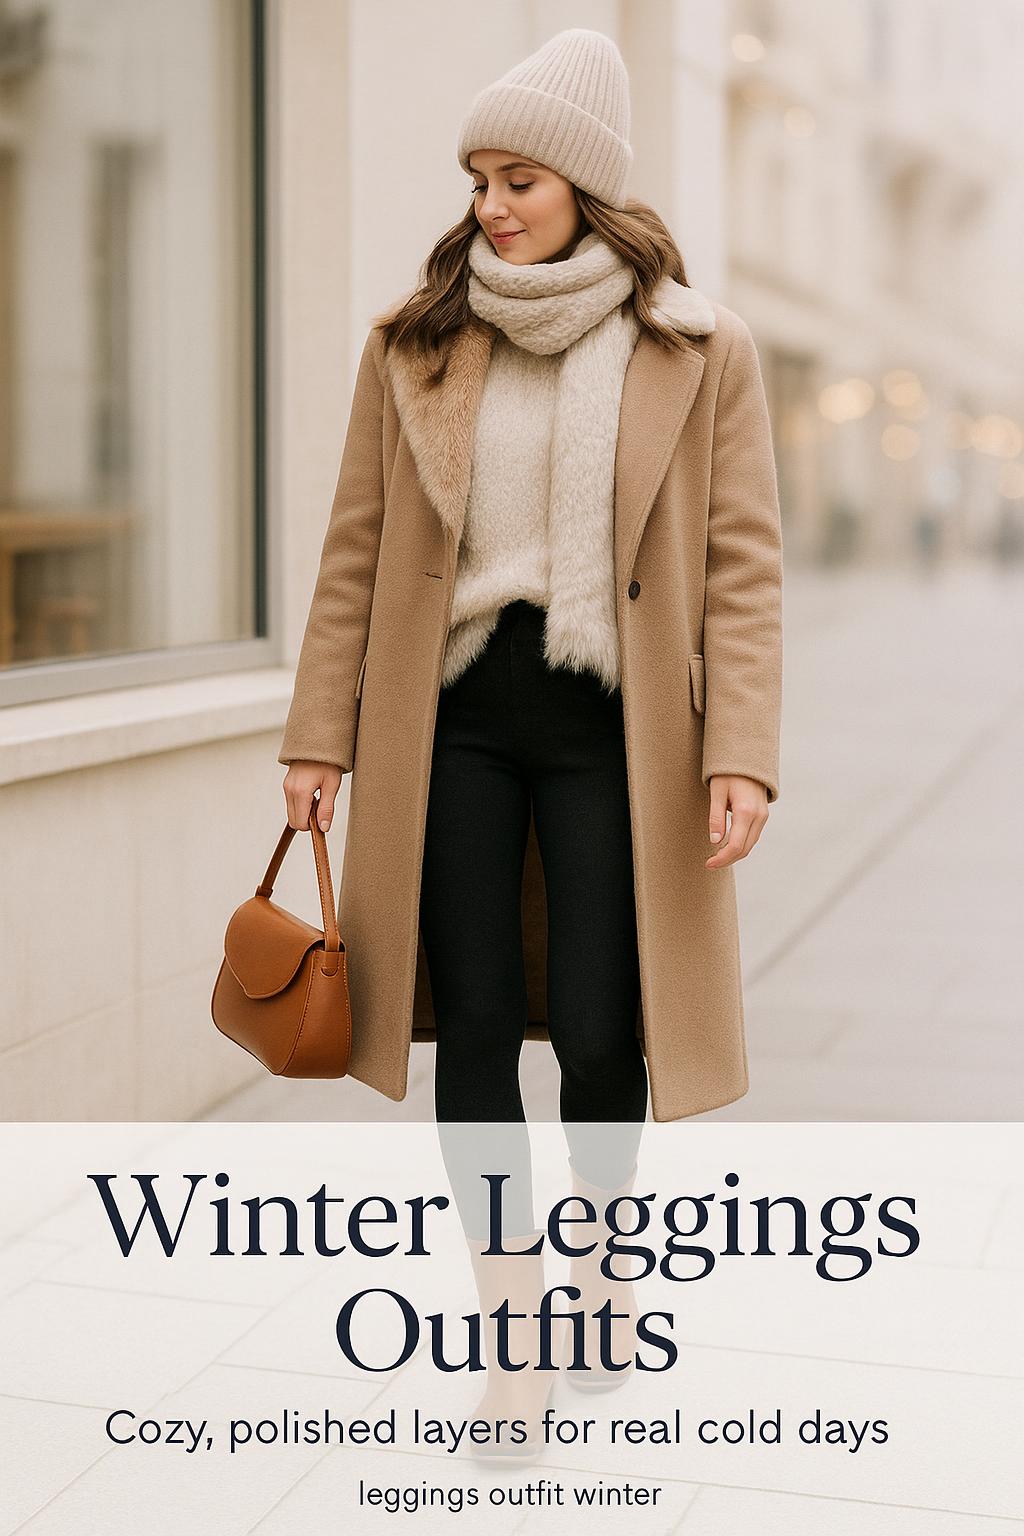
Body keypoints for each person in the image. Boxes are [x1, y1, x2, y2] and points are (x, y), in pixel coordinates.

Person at [279, 28, 783, 1462]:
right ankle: (511, 1335)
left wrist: (742, 750)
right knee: (481, 1027)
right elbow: (355, 552)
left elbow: (744, 565)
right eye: (480, 180)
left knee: (612, 1030)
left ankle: (605, 1270)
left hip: (618, 733)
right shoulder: (417, 341)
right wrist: (318, 738)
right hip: (454, 729)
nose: (492, 206)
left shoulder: (698, 346)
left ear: (586, 185)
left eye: (521, 179)